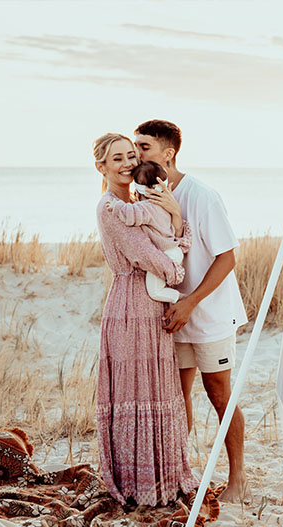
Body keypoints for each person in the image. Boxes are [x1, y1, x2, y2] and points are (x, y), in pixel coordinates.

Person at [134, 120, 250, 503]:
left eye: (144, 147)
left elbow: (227, 258)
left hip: (209, 313)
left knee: (219, 393)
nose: (138, 154)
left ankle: (238, 480)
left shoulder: (201, 196)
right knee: (175, 397)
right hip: (171, 315)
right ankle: (177, 475)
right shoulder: (143, 195)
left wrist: (191, 301)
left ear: (168, 153)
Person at [92, 132, 198, 506]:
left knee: (158, 386)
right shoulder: (110, 208)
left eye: (130, 157)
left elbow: (171, 234)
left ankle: (165, 474)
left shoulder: (140, 200)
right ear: (100, 166)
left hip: (152, 306)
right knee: (134, 390)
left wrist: (175, 215)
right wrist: (175, 271)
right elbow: (147, 257)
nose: (126, 164)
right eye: (116, 159)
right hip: (130, 305)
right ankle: (139, 480)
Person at [106, 161, 184, 303]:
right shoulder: (165, 203)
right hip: (174, 250)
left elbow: (131, 215)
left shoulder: (146, 208)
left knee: (155, 292)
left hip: (166, 254)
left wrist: (116, 206)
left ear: (139, 190)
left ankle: (180, 298)